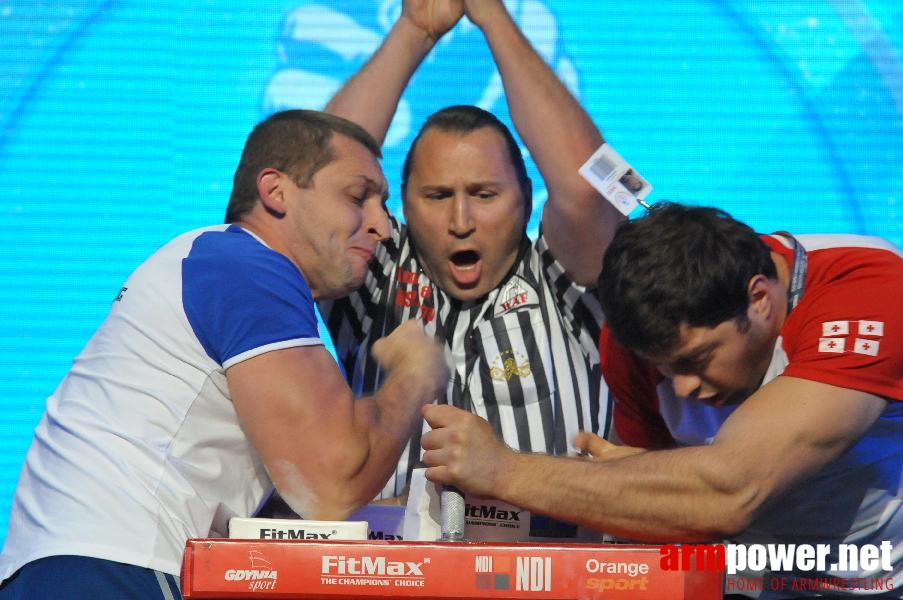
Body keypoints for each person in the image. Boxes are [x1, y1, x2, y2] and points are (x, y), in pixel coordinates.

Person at [0, 109, 449, 599]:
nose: (383, 226)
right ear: (275, 191)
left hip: (67, 566)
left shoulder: (213, 261)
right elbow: (331, 482)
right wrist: (414, 374)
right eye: (358, 197)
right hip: (115, 567)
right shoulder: (247, 267)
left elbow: (294, 495)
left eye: (382, 204)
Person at [420, 202, 903, 596]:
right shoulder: (637, 343)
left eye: (696, 360)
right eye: (665, 368)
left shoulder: (868, 289)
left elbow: (730, 491)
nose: (682, 389)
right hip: (749, 580)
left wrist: (504, 471)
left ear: (760, 300)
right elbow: (668, 508)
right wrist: (641, 480)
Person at [314, 0, 623, 500]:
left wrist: (493, 17)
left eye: (484, 195)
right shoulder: (376, 271)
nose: (461, 222)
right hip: (388, 573)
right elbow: (314, 179)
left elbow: (591, 188)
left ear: (526, 199)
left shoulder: (563, 280)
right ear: (404, 205)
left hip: (555, 571)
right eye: (437, 197)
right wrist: (414, 29)